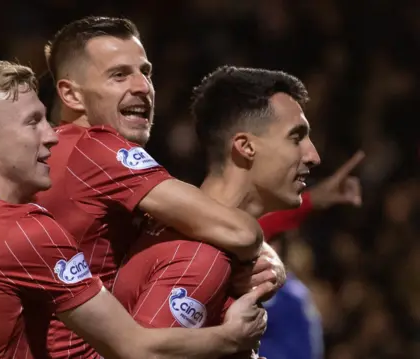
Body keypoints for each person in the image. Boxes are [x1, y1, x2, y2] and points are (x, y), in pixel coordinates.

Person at [0, 61, 271, 359]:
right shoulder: (24, 232)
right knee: (197, 257)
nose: (51, 135)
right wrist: (229, 337)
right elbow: (134, 348)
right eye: (33, 123)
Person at [111, 66, 321, 358]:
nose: (313, 156)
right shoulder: (202, 258)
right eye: (296, 137)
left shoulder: (220, 248)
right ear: (245, 146)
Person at [258, 150, 364, 359]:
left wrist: (312, 200)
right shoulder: (227, 274)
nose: (268, 248)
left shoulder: (293, 297)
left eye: (275, 242)